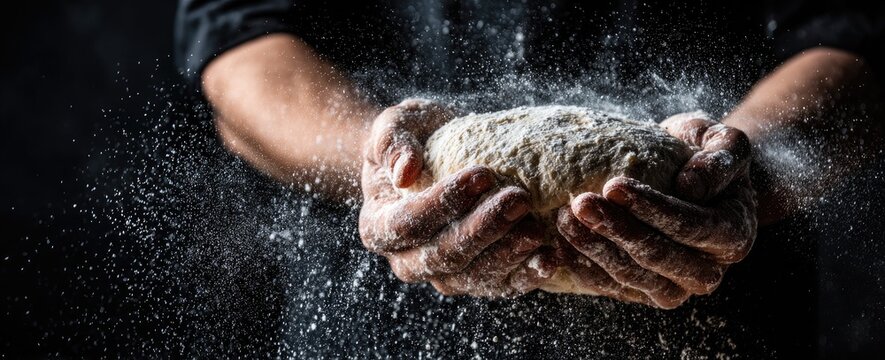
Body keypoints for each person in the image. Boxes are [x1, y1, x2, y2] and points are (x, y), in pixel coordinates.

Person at [176, 0, 884, 356]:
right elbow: (240, 47)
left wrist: (739, 168)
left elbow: (856, 37)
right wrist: (384, 165)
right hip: (378, 320)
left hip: (715, 312)